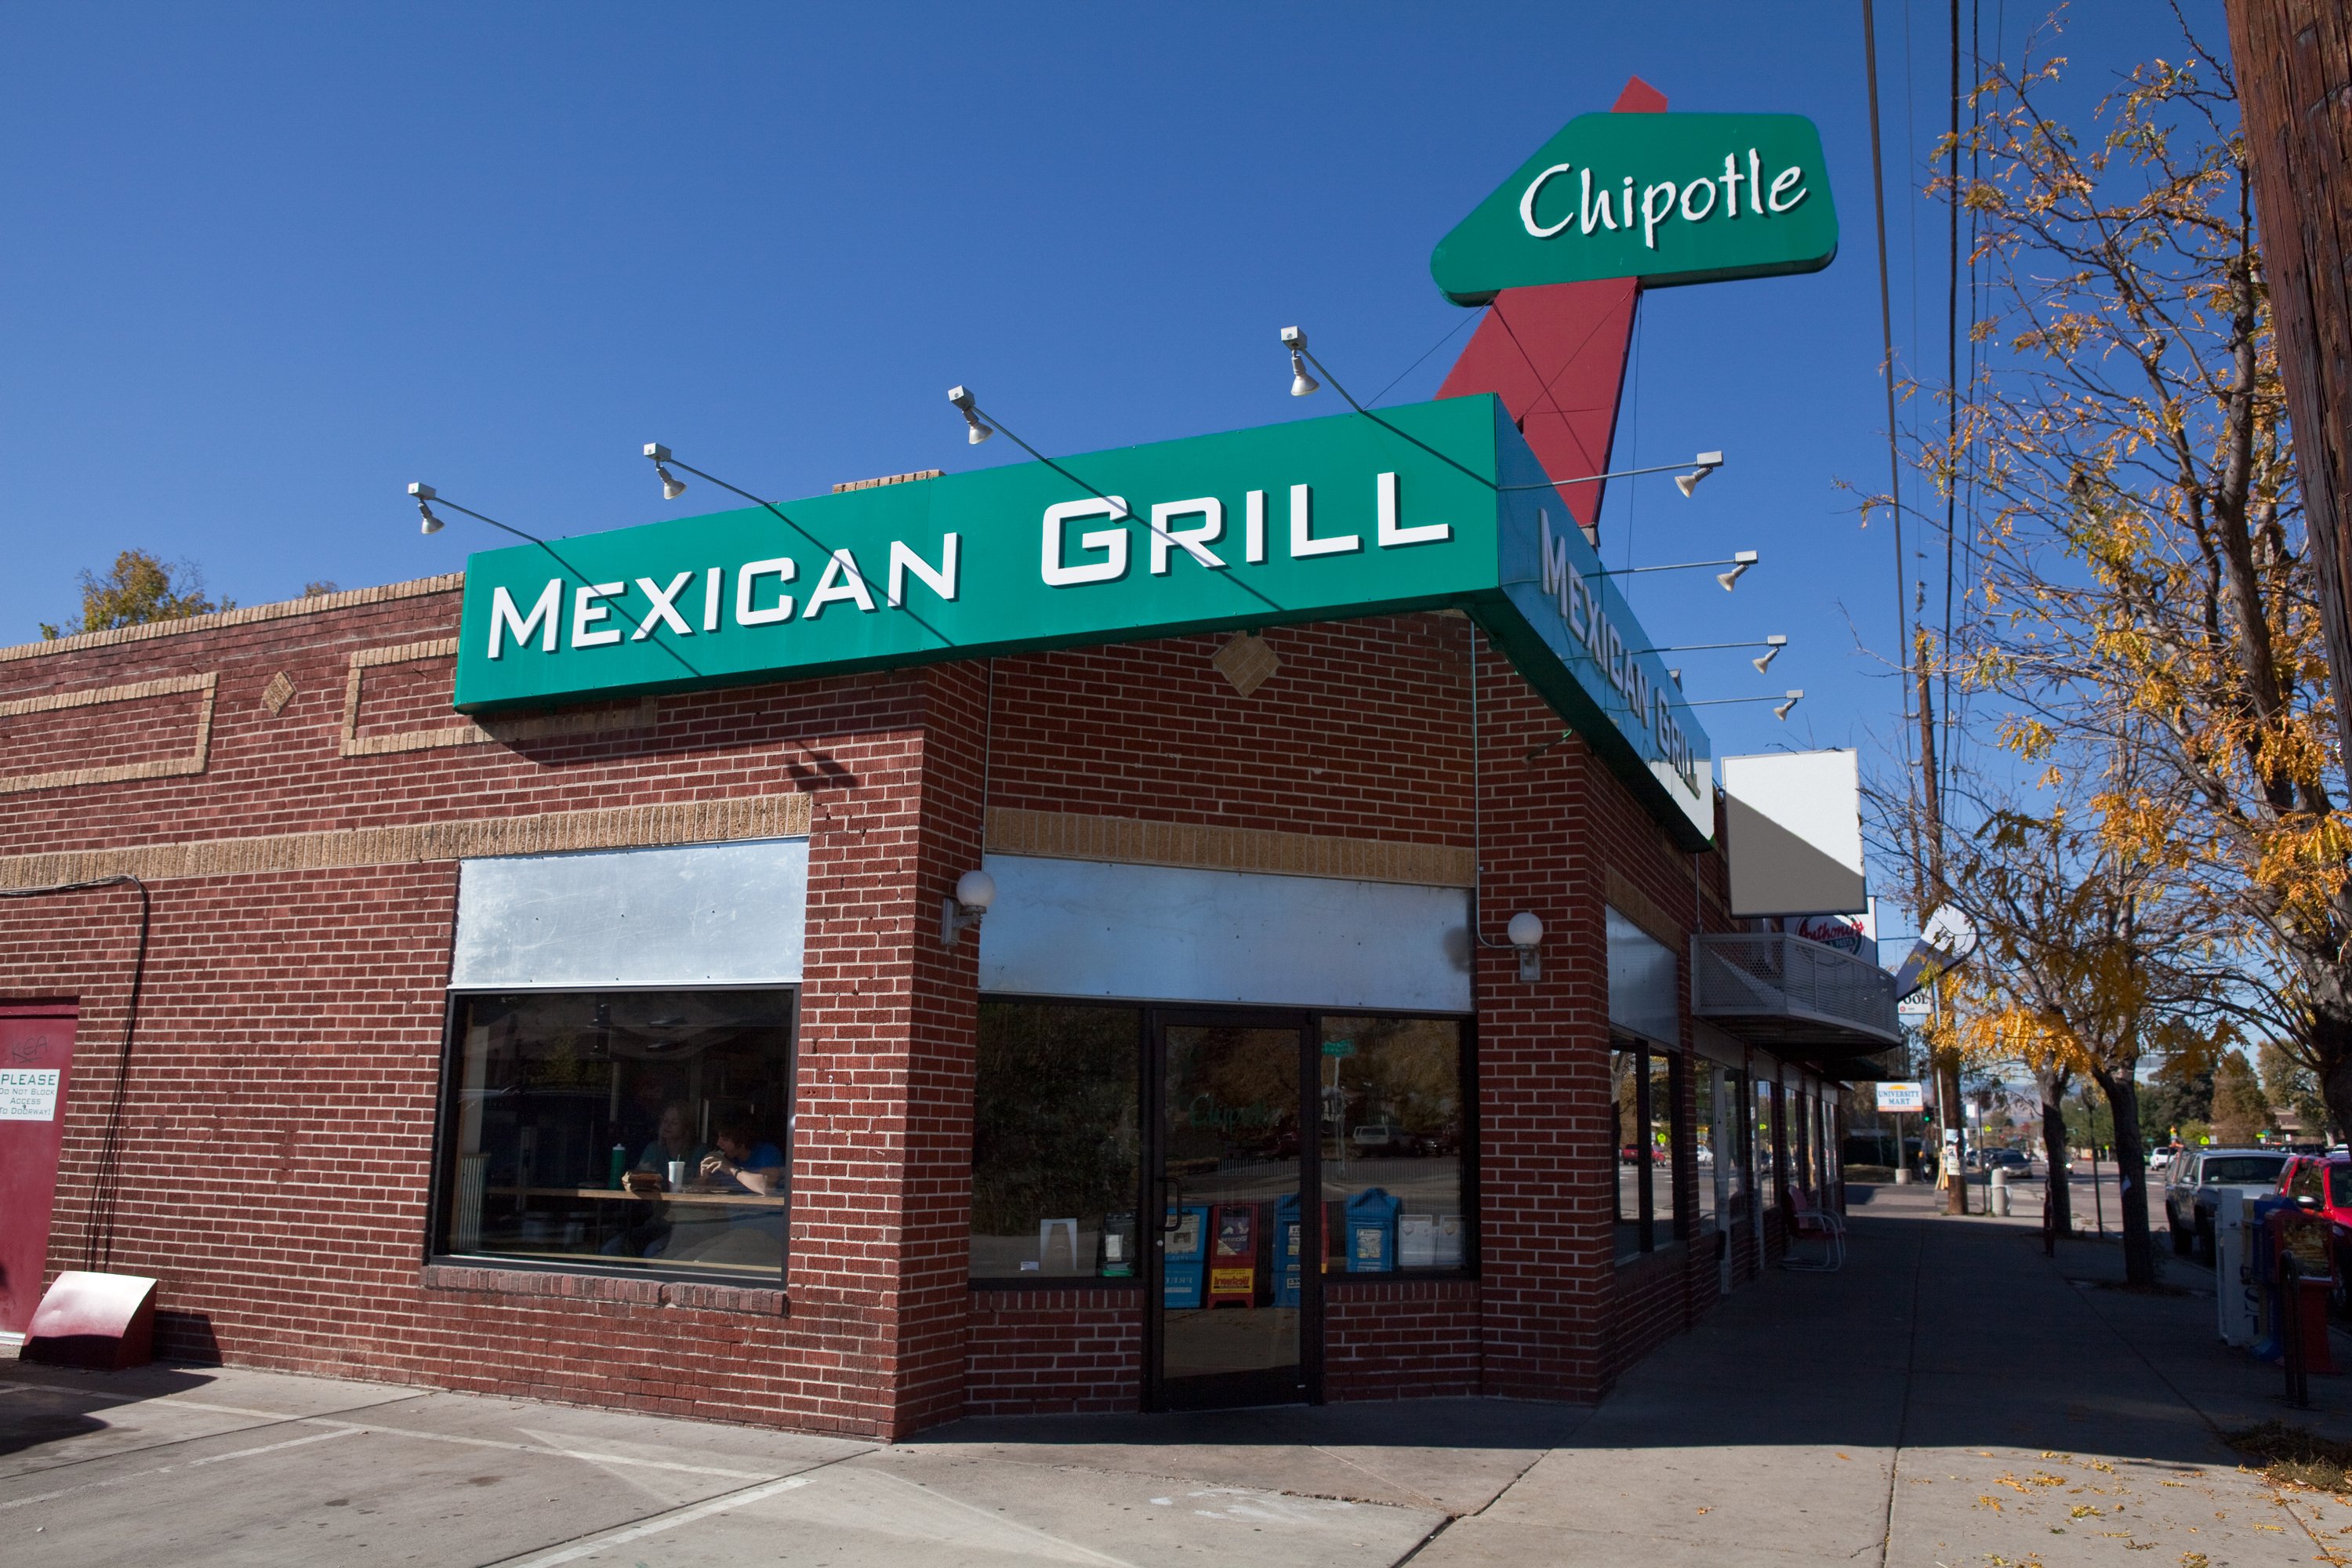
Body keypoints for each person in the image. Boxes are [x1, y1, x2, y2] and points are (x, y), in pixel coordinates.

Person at [699, 1116, 787, 1196]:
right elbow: (705, 1190)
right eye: (718, 1138)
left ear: (742, 1142)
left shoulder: (768, 1152)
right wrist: (704, 1178)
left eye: (726, 1140)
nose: (718, 1144)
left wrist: (732, 1170)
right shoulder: (727, 1158)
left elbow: (767, 1187)